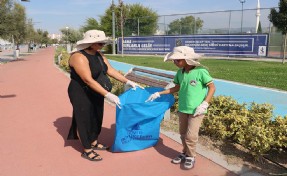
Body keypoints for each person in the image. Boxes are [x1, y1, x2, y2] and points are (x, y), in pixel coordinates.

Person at [67, 29, 142, 161]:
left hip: (96, 90)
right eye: (100, 43)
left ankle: (94, 141)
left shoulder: (99, 54)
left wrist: (128, 81)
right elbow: (87, 80)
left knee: (97, 116)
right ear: (91, 43)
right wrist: (108, 95)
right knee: (85, 119)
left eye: (103, 43)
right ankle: (87, 149)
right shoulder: (78, 57)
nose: (103, 45)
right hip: (81, 91)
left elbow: (110, 70)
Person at [146, 46, 216, 169]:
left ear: (187, 59)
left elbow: (212, 87)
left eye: (177, 60)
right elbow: (177, 87)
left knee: (191, 136)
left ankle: (191, 156)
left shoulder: (200, 72)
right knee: (183, 134)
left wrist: (205, 104)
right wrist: (160, 93)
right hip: (183, 108)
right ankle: (185, 152)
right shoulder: (180, 72)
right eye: (174, 60)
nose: (175, 63)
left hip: (197, 110)